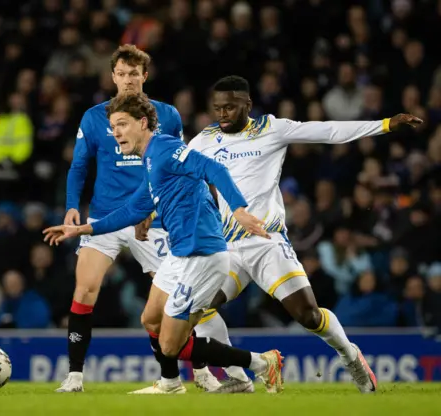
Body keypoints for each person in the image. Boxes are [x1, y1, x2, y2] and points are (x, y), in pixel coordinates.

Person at [180, 75, 422, 393]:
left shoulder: (272, 129)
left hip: (267, 243)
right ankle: (238, 376)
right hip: (228, 247)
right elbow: (173, 173)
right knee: (197, 307)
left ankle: (351, 357)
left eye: (230, 107)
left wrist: (386, 124)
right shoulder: (205, 140)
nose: (222, 114)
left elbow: (329, 131)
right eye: (218, 108)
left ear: (247, 105)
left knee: (308, 316)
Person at [44, 93, 285, 394]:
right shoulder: (149, 161)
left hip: (201, 254)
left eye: (122, 124)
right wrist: (82, 230)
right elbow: (133, 210)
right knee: (150, 319)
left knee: (172, 345)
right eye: (112, 126)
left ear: (143, 123)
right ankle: (170, 383)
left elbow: (214, 169)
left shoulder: (166, 148)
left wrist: (238, 210)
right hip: (180, 255)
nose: (115, 132)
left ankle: (261, 363)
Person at [60, 44, 237, 392]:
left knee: (176, 294)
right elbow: (80, 164)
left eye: (134, 74)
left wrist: (155, 209)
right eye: (121, 74)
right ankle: (75, 375)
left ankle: (195, 371)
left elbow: (175, 166)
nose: (127, 80)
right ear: (112, 76)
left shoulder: (166, 115)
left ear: (145, 76)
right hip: (105, 215)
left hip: (150, 218)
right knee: (85, 288)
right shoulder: (94, 117)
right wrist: (71, 204)